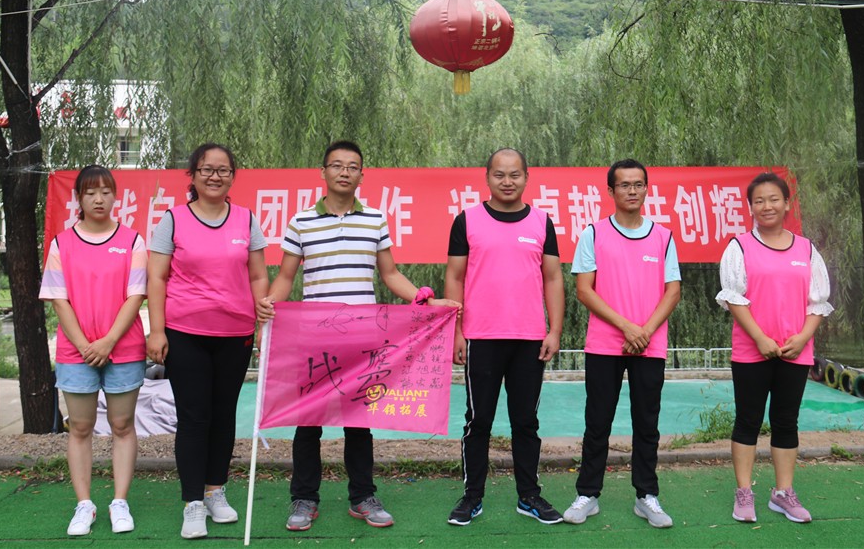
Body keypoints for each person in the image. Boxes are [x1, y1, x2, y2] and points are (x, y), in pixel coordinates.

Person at [255, 140, 459, 532]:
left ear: (362, 176)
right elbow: (285, 277)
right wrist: (267, 310)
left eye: (352, 166)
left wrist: (426, 301)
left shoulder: (375, 220)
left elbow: (390, 274)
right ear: (323, 172)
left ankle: (363, 496)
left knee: (359, 421)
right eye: (337, 165)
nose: (344, 172)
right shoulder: (301, 222)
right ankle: (304, 498)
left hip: (364, 338)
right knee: (308, 422)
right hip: (314, 338)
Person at [146, 143, 269, 539]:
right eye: (207, 169)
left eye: (223, 170)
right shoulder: (173, 220)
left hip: (235, 335)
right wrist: (157, 330)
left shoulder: (246, 219)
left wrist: (261, 322)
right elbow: (156, 278)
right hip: (185, 334)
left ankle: (216, 491)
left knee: (223, 415)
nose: (215, 176)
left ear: (232, 176)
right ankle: (192, 503)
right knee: (194, 417)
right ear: (193, 175)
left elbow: (258, 276)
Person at [444, 148, 565, 526]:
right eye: (499, 174)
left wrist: (555, 330)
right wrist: (456, 331)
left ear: (527, 177)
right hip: (480, 337)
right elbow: (454, 277)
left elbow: (553, 278)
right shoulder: (467, 221)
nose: (507, 181)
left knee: (525, 422)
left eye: (515, 175)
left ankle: (529, 496)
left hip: (529, 339)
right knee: (478, 421)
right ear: (487, 177)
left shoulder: (542, 222)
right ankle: (472, 497)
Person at [564, 158, 681, 529]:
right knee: (597, 421)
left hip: (650, 344)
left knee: (647, 423)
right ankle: (588, 494)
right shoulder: (593, 234)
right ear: (611, 190)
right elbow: (585, 290)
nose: (632, 190)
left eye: (638, 184)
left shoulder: (663, 236)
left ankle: (647, 495)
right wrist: (628, 328)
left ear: (646, 188)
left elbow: (673, 291)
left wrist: (644, 331)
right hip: (605, 344)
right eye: (625, 185)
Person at [716, 172, 833, 524]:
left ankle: (783, 493)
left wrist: (803, 337)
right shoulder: (739, 247)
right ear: (750, 207)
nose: (766, 206)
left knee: (786, 422)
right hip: (752, 350)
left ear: (787, 204)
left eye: (773, 199)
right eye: (759, 201)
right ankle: (744, 493)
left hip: (795, 351)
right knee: (748, 420)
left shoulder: (806, 249)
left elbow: (817, 301)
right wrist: (760, 338)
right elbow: (733, 298)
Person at [40, 165, 147, 536]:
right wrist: (86, 345)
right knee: (81, 427)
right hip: (77, 353)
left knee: (122, 425)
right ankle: (84, 504)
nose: (99, 199)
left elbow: (136, 295)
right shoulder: (61, 244)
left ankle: (120, 502)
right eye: (90, 193)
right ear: (78, 199)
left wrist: (108, 341)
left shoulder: (133, 241)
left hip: (124, 348)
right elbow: (59, 299)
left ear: (115, 196)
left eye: (105, 191)